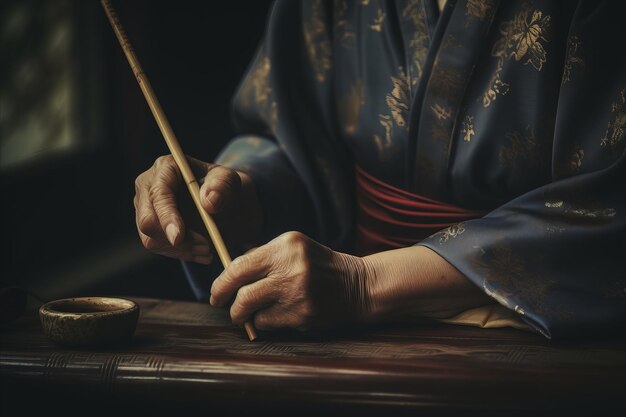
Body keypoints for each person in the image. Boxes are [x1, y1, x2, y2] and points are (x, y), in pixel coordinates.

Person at [133, 0, 626, 339]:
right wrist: (238, 196)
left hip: (533, 341)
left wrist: (366, 284)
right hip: (338, 330)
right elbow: (290, 127)